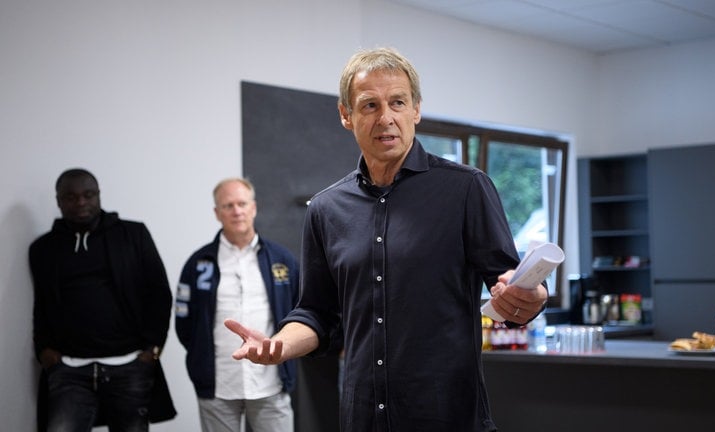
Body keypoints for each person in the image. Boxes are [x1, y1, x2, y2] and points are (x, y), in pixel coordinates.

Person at [224, 47, 549, 432]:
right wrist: (279, 346)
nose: (386, 118)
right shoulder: (326, 208)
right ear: (346, 115)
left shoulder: (465, 189)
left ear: (416, 110)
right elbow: (316, 312)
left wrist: (531, 296)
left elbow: (514, 287)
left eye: (398, 102)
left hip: (448, 417)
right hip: (363, 417)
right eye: (370, 105)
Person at [29, 168, 176, 432]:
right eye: (71, 197)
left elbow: (159, 292)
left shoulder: (133, 235)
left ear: (99, 195)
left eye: (88, 195)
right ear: (58, 200)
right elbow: (42, 303)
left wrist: (153, 347)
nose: (81, 202)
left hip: (129, 364)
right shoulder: (44, 248)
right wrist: (43, 349)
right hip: (69, 369)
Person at [175, 177, 299, 432]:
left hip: (271, 383)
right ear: (216, 213)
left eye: (242, 203)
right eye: (228, 205)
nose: (236, 211)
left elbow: (300, 314)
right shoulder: (199, 263)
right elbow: (184, 324)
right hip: (218, 387)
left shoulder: (282, 260)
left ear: (253, 207)